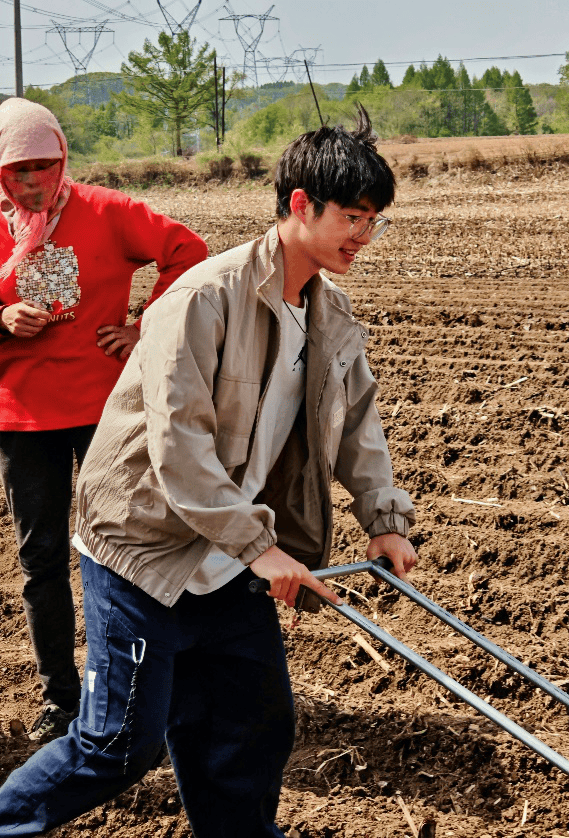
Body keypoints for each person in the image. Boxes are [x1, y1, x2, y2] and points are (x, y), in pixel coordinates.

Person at [0, 106, 416, 838]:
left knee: (254, 724)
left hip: (224, 559)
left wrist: (384, 520)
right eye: (353, 216)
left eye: (373, 219)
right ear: (299, 205)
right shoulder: (205, 302)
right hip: (145, 549)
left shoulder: (331, 314)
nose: (364, 235)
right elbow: (178, 452)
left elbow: (356, 425)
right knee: (118, 747)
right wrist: (262, 547)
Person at [0, 97, 208, 742]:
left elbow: (189, 253)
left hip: (105, 413)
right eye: (15, 171)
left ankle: (140, 687)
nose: (33, 182)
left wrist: (142, 327)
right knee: (41, 559)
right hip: (22, 416)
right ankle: (61, 699)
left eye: (44, 165)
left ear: (64, 157)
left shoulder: (107, 212)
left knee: (126, 550)